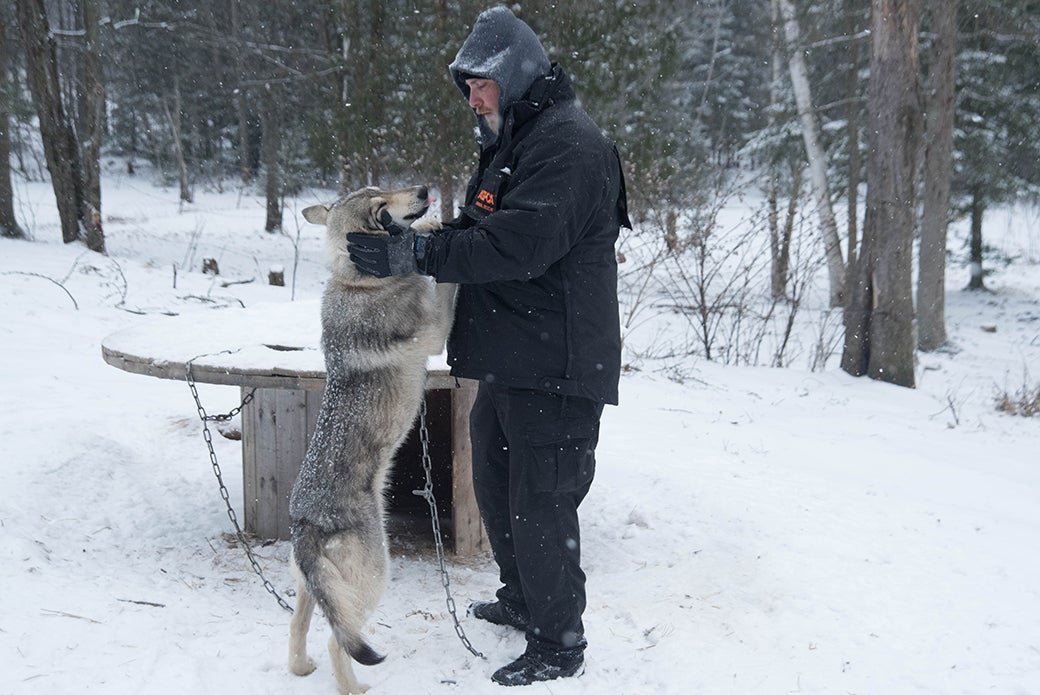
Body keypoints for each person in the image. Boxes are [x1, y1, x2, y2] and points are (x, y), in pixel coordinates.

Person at [346, 6, 629, 687]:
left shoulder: (569, 145)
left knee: (543, 500)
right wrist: (419, 238)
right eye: (468, 87)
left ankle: (559, 642)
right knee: (498, 487)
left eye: (482, 84)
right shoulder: (516, 141)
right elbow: (480, 226)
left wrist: (418, 255)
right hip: (516, 355)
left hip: (559, 362)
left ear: (517, 74)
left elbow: (518, 246)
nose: (473, 99)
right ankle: (522, 599)